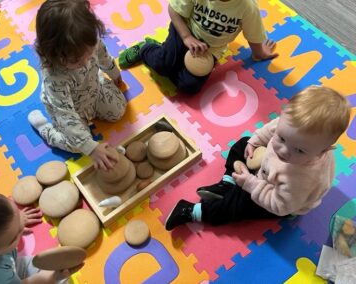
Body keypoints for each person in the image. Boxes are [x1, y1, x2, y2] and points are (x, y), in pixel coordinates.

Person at [165, 86, 351, 230]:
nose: (284, 150)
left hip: (278, 199)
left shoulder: (303, 179)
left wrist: (251, 184)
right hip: (266, 170)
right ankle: (228, 183)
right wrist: (255, 142)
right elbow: (271, 129)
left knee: (237, 206)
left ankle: (193, 211)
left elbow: (280, 205)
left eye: (299, 151)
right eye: (282, 138)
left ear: (322, 151)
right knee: (243, 144)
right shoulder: (295, 130)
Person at [28, 0, 127, 170]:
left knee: (119, 110)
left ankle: (101, 87)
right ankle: (46, 130)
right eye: (75, 60)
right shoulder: (54, 77)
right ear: (52, 53)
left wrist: (114, 73)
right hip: (68, 110)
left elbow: (103, 57)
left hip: (93, 90)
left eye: (88, 54)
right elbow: (66, 115)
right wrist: (92, 148)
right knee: (78, 146)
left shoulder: (90, 43)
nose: (85, 61)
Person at [118, 0, 278, 94]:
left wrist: (260, 53)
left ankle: (174, 63)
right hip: (184, 31)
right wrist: (186, 37)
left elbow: (253, 36)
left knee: (189, 87)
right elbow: (174, 10)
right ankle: (146, 48)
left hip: (210, 49)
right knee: (162, 64)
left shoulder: (247, 7)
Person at [0, 190, 82, 283]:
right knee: (61, 278)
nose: (21, 226)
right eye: (14, 236)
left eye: (15, 211)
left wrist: (15, 220)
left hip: (6, 266)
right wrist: (54, 277)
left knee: (49, 265)